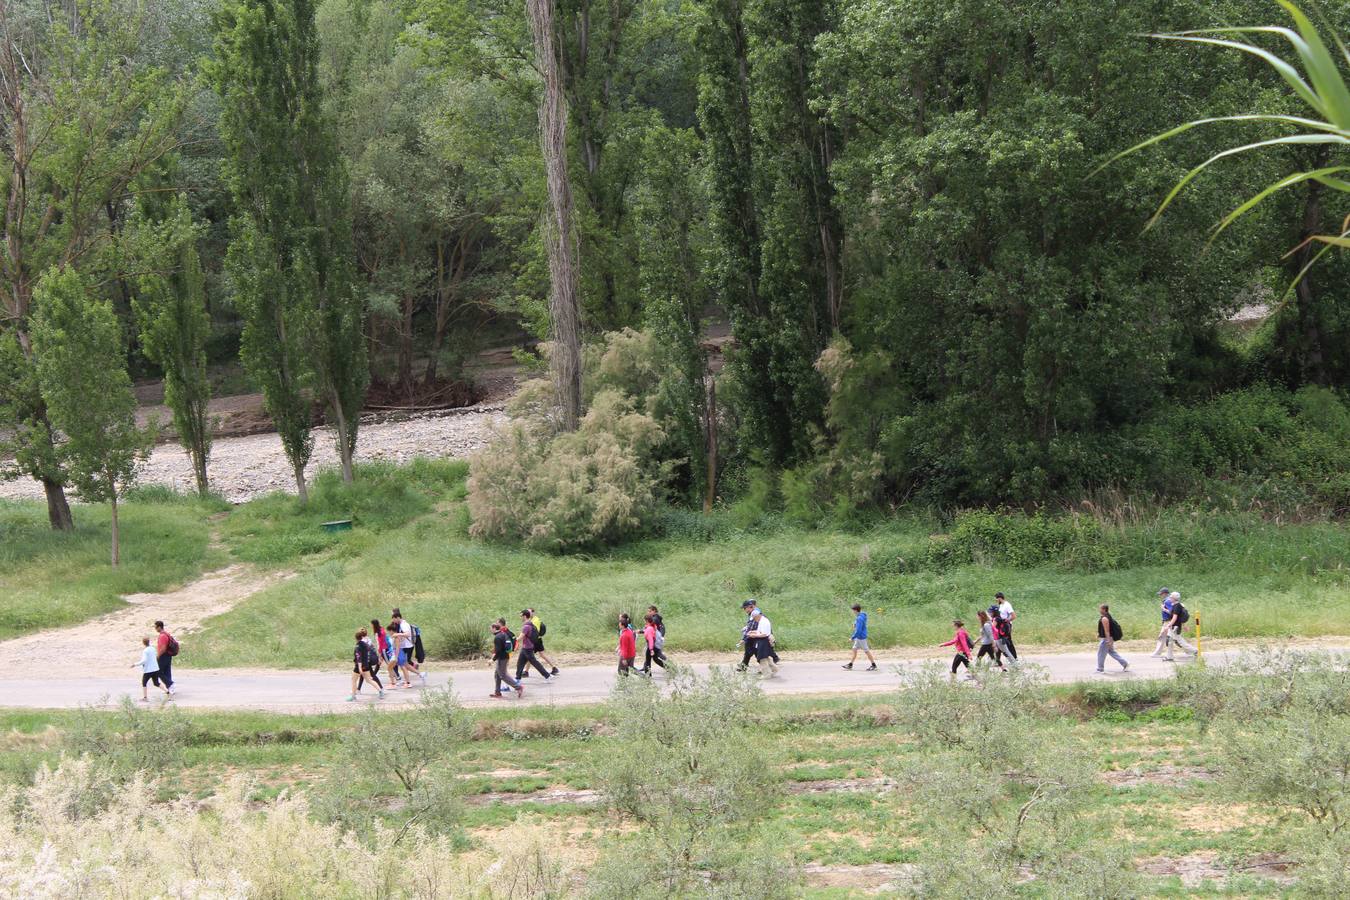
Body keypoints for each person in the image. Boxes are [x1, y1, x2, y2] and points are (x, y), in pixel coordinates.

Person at [390, 610, 426, 687]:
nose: (394, 621)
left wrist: (397, 634)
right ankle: (417, 675)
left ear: (398, 617)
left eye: (394, 619)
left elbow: (407, 634)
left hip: (407, 647)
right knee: (404, 664)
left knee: (404, 665)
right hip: (404, 646)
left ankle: (407, 682)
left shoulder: (404, 624)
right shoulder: (401, 624)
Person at [521, 608, 560, 677]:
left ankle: (526, 672)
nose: (528, 613)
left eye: (529, 612)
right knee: (538, 655)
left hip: (535, 640)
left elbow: (535, 631)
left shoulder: (535, 620)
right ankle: (554, 668)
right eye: (527, 612)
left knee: (531, 656)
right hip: (537, 640)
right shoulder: (532, 620)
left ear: (533, 613)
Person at [515, 610, 553, 681]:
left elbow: (520, 638)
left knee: (535, 663)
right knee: (520, 663)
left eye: (521, 616)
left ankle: (547, 676)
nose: (520, 618)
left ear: (524, 616)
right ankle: (517, 679)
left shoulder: (526, 626)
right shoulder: (530, 624)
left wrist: (512, 640)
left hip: (528, 648)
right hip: (526, 647)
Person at [348, 628, 384, 701]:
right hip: (367, 665)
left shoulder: (358, 647)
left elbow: (359, 658)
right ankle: (380, 691)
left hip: (359, 666)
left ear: (356, 638)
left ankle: (353, 696)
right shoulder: (366, 644)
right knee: (369, 680)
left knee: (353, 680)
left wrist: (360, 668)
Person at [490, 622, 524, 698]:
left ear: (494, 628)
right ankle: (497, 692)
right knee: (497, 674)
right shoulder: (503, 634)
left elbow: (498, 651)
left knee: (503, 675)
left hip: (502, 658)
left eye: (491, 628)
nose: (490, 630)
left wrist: (492, 660)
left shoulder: (497, 637)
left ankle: (518, 687)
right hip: (505, 656)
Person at [1161, 592, 1197, 661]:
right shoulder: (1176, 605)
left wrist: (1168, 625)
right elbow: (1175, 615)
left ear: (1174, 598)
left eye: (1171, 597)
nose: (1170, 598)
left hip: (1175, 627)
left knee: (1180, 641)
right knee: (1169, 641)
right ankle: (1169, 657)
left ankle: (1195, 651)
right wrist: (1164, 609)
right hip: (1174, 626)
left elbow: (1175, 618)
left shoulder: (1177, 606)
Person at [842, 603, 878, 671]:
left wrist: (852, 638)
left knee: (866, 651)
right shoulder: (862, 615)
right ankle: (850, 664)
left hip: (861, 637)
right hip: (859, 637)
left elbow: (858, 631)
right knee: (854, 649)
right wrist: (855, 623)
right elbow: (858, 622)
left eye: (853, 610)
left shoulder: (859, 618)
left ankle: (874, 665)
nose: (852, 612)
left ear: (855, 610)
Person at [133, 637, 170, 701]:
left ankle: (145, 697)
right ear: (149, 642)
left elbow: (144, 661)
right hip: (155, 669)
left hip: (148, 670)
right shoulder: (153, 648)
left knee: (144, 682)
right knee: (156, 683)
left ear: (143, 643)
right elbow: (155, 656)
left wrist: (135, 664)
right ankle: (167, 691)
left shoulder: (145, 651)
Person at [1096, 604, 1129, 674]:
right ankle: (1125, 663)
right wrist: (1100, 634)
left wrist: (1108, 640)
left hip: (1106, 639)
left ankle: (1100, 669)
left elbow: (1107, 630)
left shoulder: (1105, 618)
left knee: (1101, 653)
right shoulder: (1108, 616)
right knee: (1111, 652)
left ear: (1104, 609)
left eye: (1100, 609)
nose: (1099, 610)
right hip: (1108, 638)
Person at [745, 608, 778, 678]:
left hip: (763, 641)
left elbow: (764, 634)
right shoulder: (761, 620)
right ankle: (774, 669)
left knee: (762, 658)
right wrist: (753, 632)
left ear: (757, 616)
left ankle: (766, 674)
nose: (754, 620)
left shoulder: (764, 622)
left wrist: (753, 635)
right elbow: (760, 631)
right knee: (766, 657)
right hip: (762, 640)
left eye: (754, 618)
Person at [153, 620, 176, 696]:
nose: (155, 629)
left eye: (156, 627)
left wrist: (158, 656)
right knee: (167, 671)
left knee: (158, 672)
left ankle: (170, 684)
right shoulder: (166, 634)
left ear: (159, 627)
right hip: (168, 656)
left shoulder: (162, 636)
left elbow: (163, 648)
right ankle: (170, 688)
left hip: (163, 656)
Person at [1150, 589, 1175, 658]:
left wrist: (1164, 609)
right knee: (1176, 638)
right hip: (1168, 621)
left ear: (1165, 593)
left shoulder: (1167, 601)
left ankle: (1157, 653)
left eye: (1161, 594)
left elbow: (1172, 612)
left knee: (1161, 637)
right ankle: (1191, 650)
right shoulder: (1169, 600)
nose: (1160, 595)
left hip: (1168, 622)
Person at [995, 593, 1018, 660]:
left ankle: (1015, 658)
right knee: (998, 642)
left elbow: (1014, 616)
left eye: (996, 599)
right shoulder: (1001, 605)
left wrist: (1006, 621)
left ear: (999, 598)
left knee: (1008, 642)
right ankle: (998, 660)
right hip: (1000, 626)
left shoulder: (1007, 605)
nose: (996, 600)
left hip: (1006, 627)